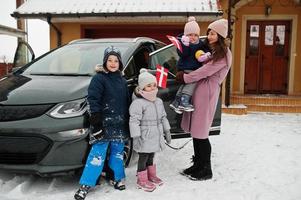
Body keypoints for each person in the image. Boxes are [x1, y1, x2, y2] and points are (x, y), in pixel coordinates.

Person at [175, 18, 232, 181]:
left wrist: (185, 77)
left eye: (213, 33)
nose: (209, 36)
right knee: (196, 131)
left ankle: (206, 169)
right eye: (208, 33)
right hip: (200, 88)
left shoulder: (223, 54)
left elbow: (205, 71)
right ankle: (197, 164)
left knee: (201, 132)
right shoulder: (213, 50)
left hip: (207, 90)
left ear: (220, 35)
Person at [74, 46, 130, 200]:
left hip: (119, 124)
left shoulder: (122, 80)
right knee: (97, 155)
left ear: (120, 63)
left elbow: (126, 101)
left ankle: (118, 178)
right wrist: (96, 123)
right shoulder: (99, 78)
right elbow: (93, 100)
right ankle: (86, 184)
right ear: (105, 62)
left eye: (116, 60)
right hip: (103, 124)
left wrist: (128, 122)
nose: (113, 63)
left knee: (118, 154)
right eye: (109, 60)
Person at [129, 69, 171, 192]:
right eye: (148, 86)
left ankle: (151, 175)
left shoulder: (158, 101)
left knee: (152, 154)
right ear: (142, 87)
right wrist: (136, 137)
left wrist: (167, 131)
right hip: (144, 134)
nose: (152, 88)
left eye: (154, 85)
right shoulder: (138, 103)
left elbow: (163, 117)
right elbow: (134, 121)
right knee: (144, 156)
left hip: (156, 133)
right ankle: (141, 179)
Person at [169, 16, 211, 114]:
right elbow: (183, 54)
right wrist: (185, 44)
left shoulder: (200, 44)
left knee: (185, 84)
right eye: (190, 35)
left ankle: (176, 102)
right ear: (185, 35)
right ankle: (184, 100)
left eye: (195, 35)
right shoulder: (183, 43)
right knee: (193, 81)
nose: (193, 37)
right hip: (186, 68)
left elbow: (206, 50)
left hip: (192, 68)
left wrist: (205, 55)